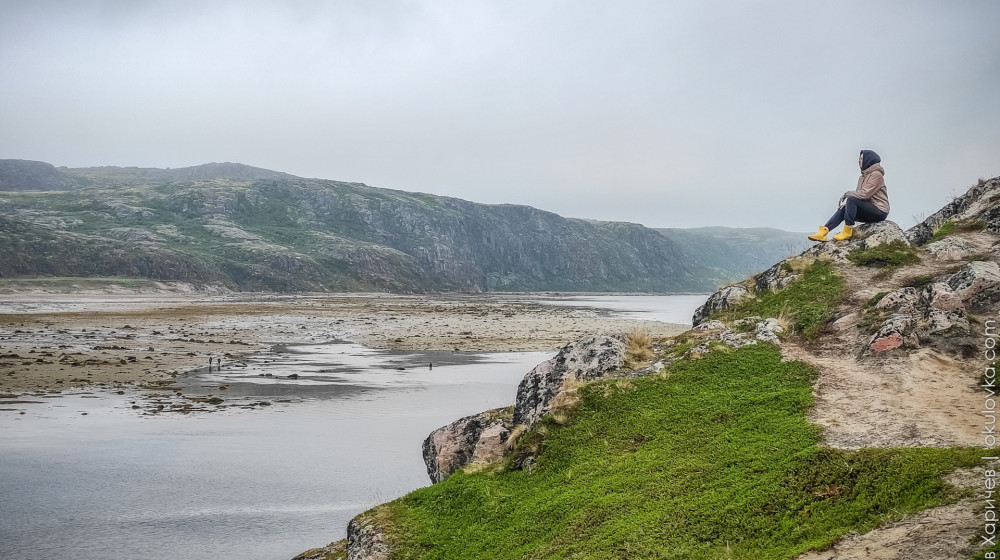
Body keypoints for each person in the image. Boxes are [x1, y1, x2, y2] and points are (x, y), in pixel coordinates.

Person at [808, 149, 890, 242]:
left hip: (880, 211)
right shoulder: (862, 177)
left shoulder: (877, 175)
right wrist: (848, 208)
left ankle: (847, 231)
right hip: (869, 209)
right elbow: (859, 197)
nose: (859, 161)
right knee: (845, 207)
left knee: (851, 199)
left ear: (868, 160)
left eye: (861, 159)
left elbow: (864, 195)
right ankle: (823, 232)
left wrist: (847, 194)